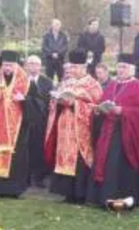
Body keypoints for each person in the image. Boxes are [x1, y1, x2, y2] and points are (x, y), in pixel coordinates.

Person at [87, 54, 139, 207]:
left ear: (132, 69)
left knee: (117, 165)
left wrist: (122, 111)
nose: (120, 70)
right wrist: (98, 110)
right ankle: (101, 197)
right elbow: (103, 102)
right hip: (107, 130)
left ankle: (119, 198)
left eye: (124, 67)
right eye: (119, 66)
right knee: (105, 163)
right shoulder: (112, 85)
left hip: (125, 133)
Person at [45, 49, 102, 204]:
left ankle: (80, 194)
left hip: (81, 129)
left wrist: (74, 103)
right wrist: (56, 101)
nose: (72, 71)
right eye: (71, 67)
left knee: (79, 160)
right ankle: (67, 193)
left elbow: (95, 106)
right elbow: (54, 103)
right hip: (64, 126)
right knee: (64, 158)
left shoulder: (93, 84)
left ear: (84, 67)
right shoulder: (65, 83)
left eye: (76, 68)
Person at [0, 50, 30, 198]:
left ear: (16, 65)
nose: (7, 68)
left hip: (18, 128)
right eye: (5, 65)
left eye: (10, 65)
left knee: (16, 158)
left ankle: (14, 189)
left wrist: (24, 101)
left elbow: (38, 103)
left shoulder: (26, 81)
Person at [25, 55, 54, 188]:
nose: (33, 67)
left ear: (40, 66)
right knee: (25, 149)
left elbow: (50, 101)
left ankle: (39, 178)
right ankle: (25, 176)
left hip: (41, 121)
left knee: (39, 149)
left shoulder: (47, 82)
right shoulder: (21, 80)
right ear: (26, 65)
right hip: (24, 120)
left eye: (36, 64)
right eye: (30, 64)